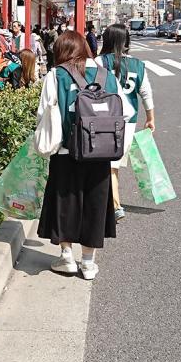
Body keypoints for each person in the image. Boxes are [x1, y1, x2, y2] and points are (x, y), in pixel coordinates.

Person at [33, 31, 132, 280]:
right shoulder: (107, 75)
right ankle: (88, 264)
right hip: (100, 154)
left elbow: (43, 112)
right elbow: (126, 112)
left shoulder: (56, 75)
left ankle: (66, 258)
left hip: (66, 153)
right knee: (95, 207)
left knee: (66, 203)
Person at [96, 24, 155, 222]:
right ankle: (112, 203)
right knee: (114, 164)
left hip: (104, 119)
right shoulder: (138, 64)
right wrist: (150, 117)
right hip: (129, 121)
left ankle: (115, 206)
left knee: (108, 164)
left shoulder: (100, 61)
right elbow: (145, 92)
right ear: (126, 41)